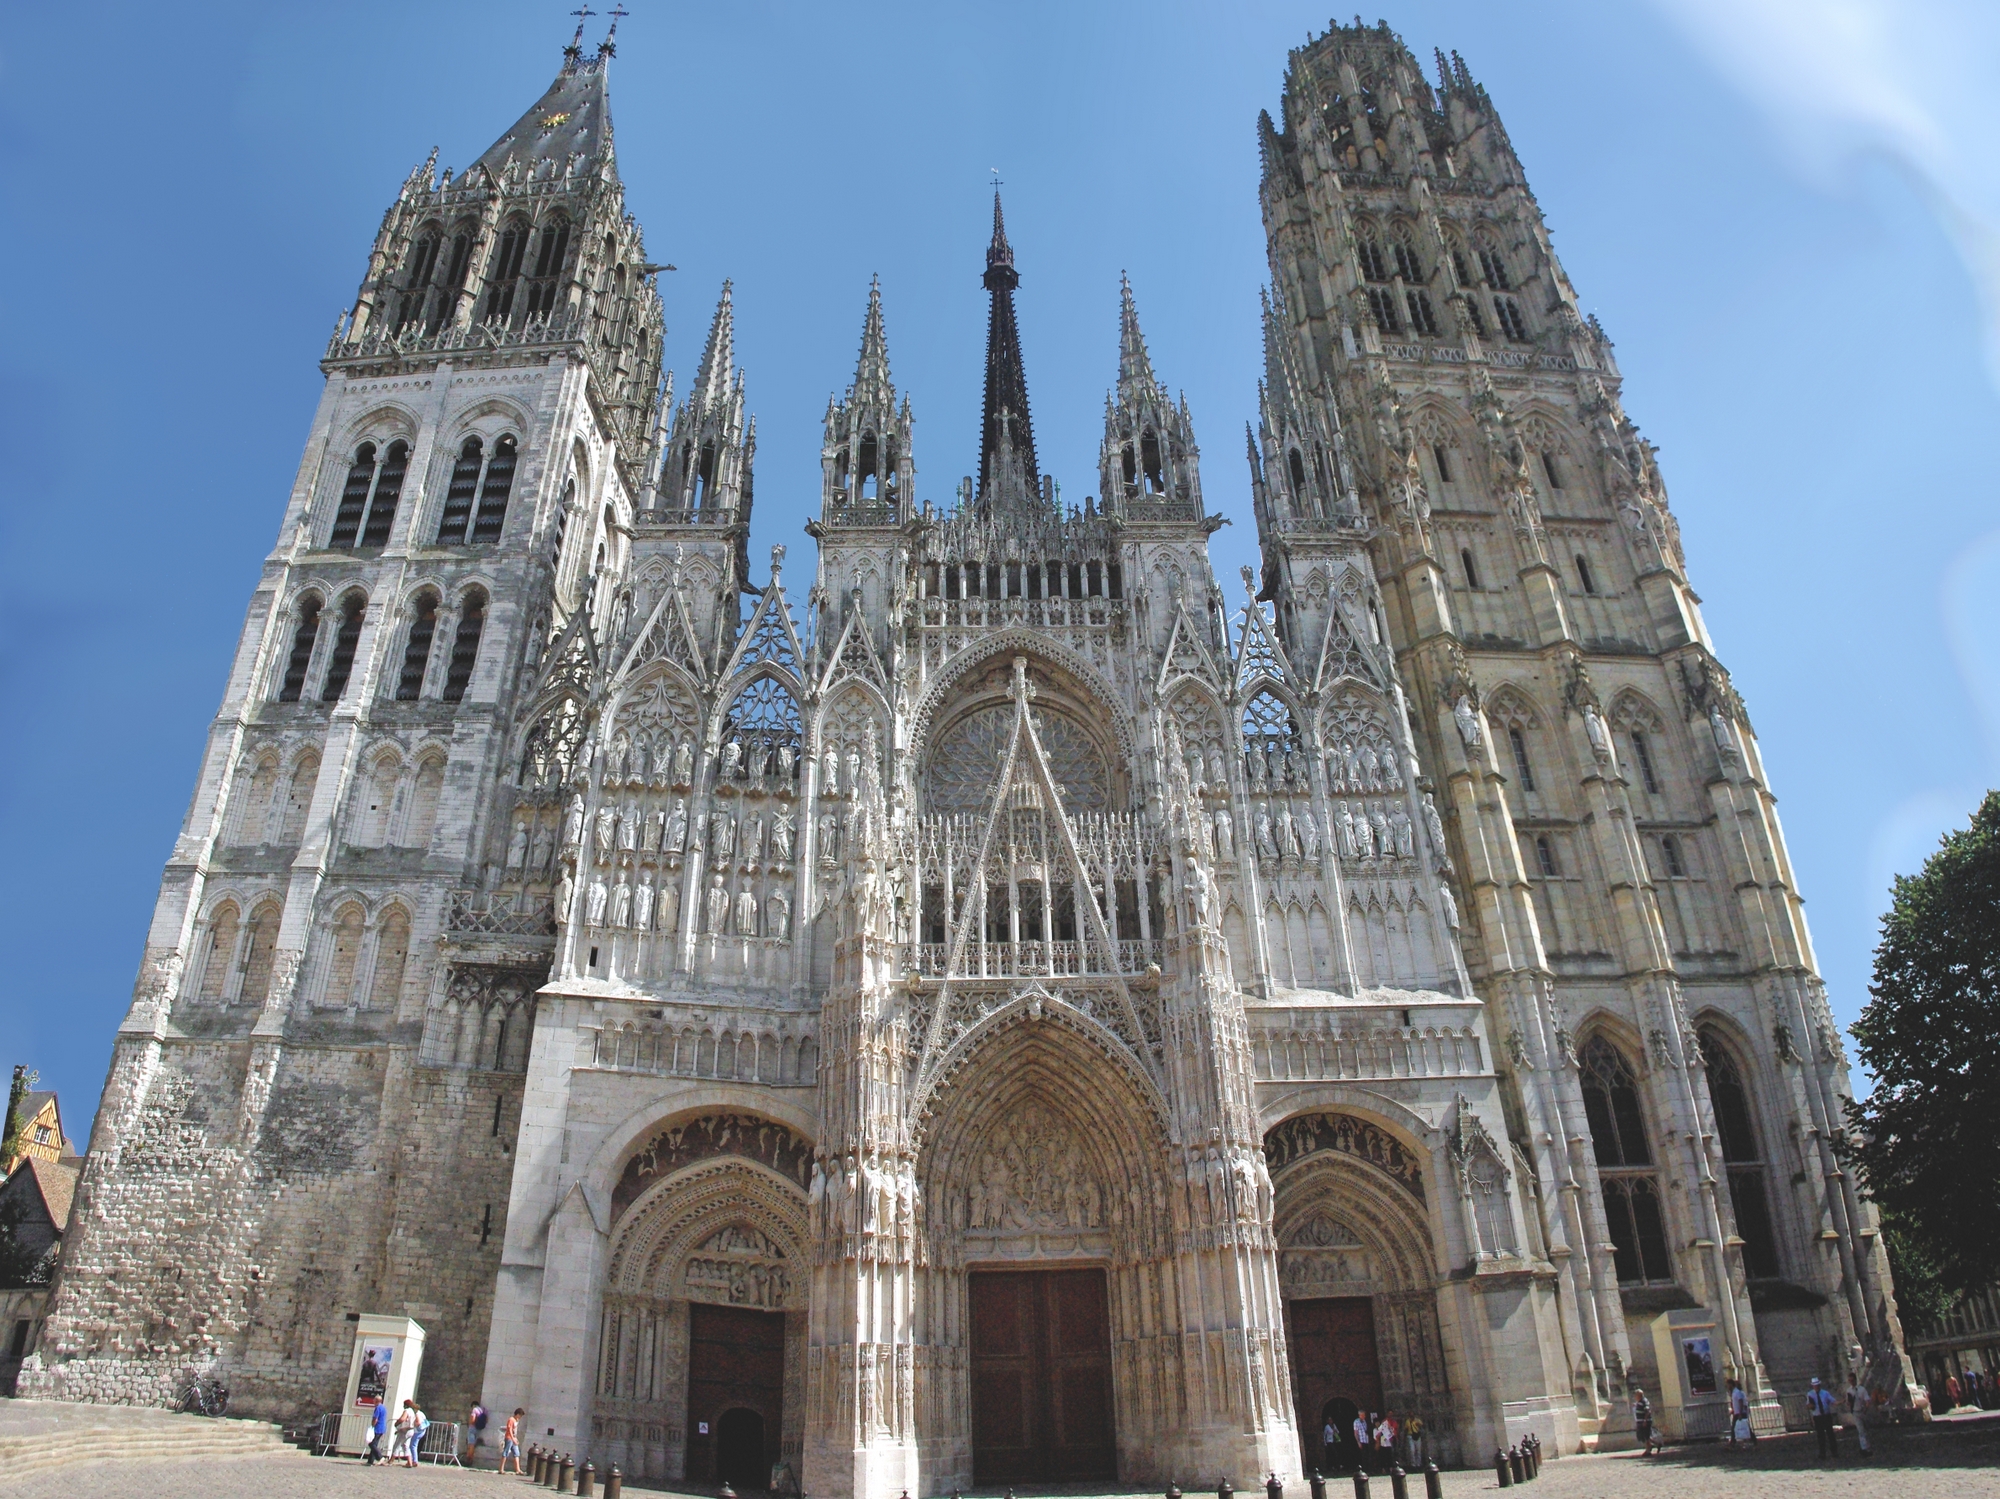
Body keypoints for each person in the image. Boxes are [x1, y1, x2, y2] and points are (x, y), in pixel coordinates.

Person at [1808, 1377, 1839, 1460]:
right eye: (1814, 1385)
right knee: (1820, 1436)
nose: (1816, 1387)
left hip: (1826, 1415)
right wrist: (1811, 1406)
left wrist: (1839, 1402)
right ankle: (1822, 1453)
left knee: (1830, 1434)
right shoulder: (1810, 1394)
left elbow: (1832, 1401)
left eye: (1817, 1385)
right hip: (1817, 1416)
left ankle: (1834, 1451)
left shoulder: (1825, 1393)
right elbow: (1808, 1405)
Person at [1846, 1375, 1873, 1458]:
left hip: (1863, 1411)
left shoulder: (1862, 1389)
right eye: (1850, 1380)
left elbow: (1867, 1400)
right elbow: (1848, 1402)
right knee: (1861, 1431)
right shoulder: (1849, 1391)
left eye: (1852, 1380)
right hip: (1855, 1412)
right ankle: (1864, 1448)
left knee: (1866, 1429)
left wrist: (1866, 1408)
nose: (1851, 1382)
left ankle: (1867, 1446)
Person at [1727, 1378, 1755, 1445]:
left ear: (1731, 1384)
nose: (1727, 1386)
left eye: (1728, 1385)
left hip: (1740, 1413)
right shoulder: (1734, 1393)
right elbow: (1736, 1404)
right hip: (1737, 1413)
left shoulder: (1737, 1392)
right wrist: (1732, 1411)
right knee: (1735, 1428)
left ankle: (1732, 1443)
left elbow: (1740, 1402)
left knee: (1742, 1428)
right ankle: (1732, 1443)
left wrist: (1740, 1413)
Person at [363, 1398, 389, 1465]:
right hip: (382, 1427)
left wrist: (372, 1426)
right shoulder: (383, 1408)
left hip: (377, 1427)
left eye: (374, 1400)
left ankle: (380, 1457)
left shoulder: (378, 1408)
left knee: (371, 1443)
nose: (373, 1401)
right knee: (374, 1443)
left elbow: (375, 1418)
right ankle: (370, 1461)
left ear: (376, 1401)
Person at [392, 1399, 416, 1465]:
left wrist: (397, 1423)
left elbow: (402, 1419)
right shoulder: (412, 1411)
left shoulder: (407, 1410)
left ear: (406, 1405)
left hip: (405, 1430)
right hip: (411, 1430)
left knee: (397, 1444)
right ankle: (410, 1462)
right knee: (405, 1445)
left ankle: (391, 1460)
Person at [502, 1407, 525, 1475]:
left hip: (513, 1439)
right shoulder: (511, 1419)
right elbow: (509, 1429)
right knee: (506, 1452)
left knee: (516, 1453)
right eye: (520, 1415)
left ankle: (518, 1469)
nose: (520, 1417)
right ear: (517, 1414)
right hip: (509, 1438)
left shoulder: (516, 1421)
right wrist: (512, 1438)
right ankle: (501, 1468)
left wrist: (515, 1438)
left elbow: (514, 1431)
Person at [1632, 1388, 1655, 1456]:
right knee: (1643, 1436)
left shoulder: (1644, 1401)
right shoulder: (1639, 1402)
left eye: (1636, 1395)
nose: (1635, 1396)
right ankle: (1650, 1446)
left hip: (1645, 1422)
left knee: (1646, 1436)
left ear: (1639, 1395)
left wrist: (1645, 1421)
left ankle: (1648, 1450)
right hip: (1640, 1422)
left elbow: (1647, 1411)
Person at [467, 1402, 488, 1467]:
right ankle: (471, 1458)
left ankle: (469, 1459)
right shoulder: (483, 1410)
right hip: (479, 1429)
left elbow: (472, 1420)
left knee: (471, 1444)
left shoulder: (475, 1410)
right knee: (473, 1444)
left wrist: (469, 1423)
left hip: (472, 1428)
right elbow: (486, 1420)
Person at [408, 1401, 429, 1467]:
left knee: (413, 1446)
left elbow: (418, 1423)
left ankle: (414, 1460)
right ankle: (413, 1460)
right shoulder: (422, 1413)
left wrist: (413, 1425)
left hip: (417, 1431)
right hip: (422, 1431)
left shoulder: (417, 1414)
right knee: (414, 1445)